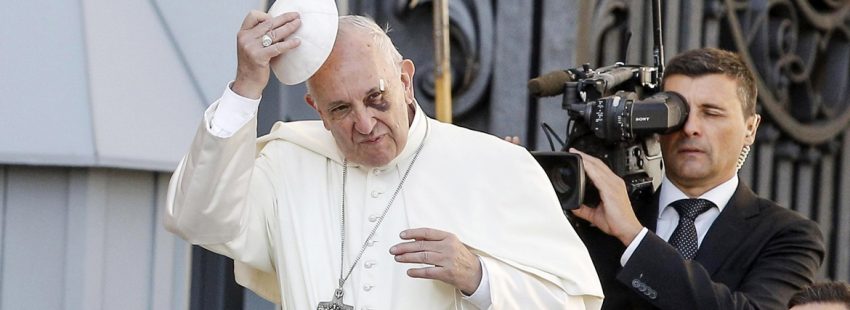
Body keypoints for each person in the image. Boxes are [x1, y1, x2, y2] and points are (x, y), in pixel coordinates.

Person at [163, 11, 604, 309]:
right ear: (316, 108)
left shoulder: (496, 166)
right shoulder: (287, 164)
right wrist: (246, 87)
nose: (365, 123)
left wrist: (481, 278)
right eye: (340, 109)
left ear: (406, 81)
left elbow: (574, 302)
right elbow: (197, 219)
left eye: (377, 98)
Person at [570, 47, 825, 309]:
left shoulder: (788, 235)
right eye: (677, 113)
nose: (691, 128)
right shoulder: (602, 218)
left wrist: (635, 238)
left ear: (750, 128)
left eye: (711, 113)